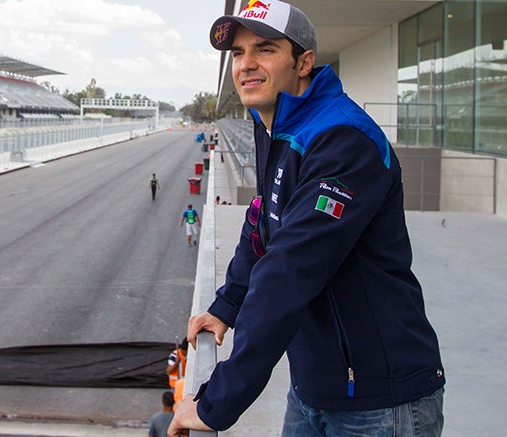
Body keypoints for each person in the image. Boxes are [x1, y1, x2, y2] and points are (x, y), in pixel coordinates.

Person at [169, 1, 445, 436]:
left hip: (380, 400)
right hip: (312, 388)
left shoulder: (341, 137)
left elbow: (290, 270)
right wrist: (227, 306)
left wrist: (216, 401)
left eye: (265, 49)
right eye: (238, 53)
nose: (247, 64)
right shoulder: (276, 127)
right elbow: (262, 222)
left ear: (304, 62)